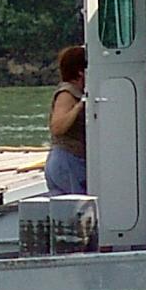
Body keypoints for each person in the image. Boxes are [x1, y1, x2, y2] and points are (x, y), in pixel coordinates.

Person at [45, 45, 88, 195]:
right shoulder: (67, 93)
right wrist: (79, 106)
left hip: (65, 161)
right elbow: (57, 127)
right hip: (68, 161)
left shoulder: (76, 92)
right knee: (77, 205)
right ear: (80, 72)